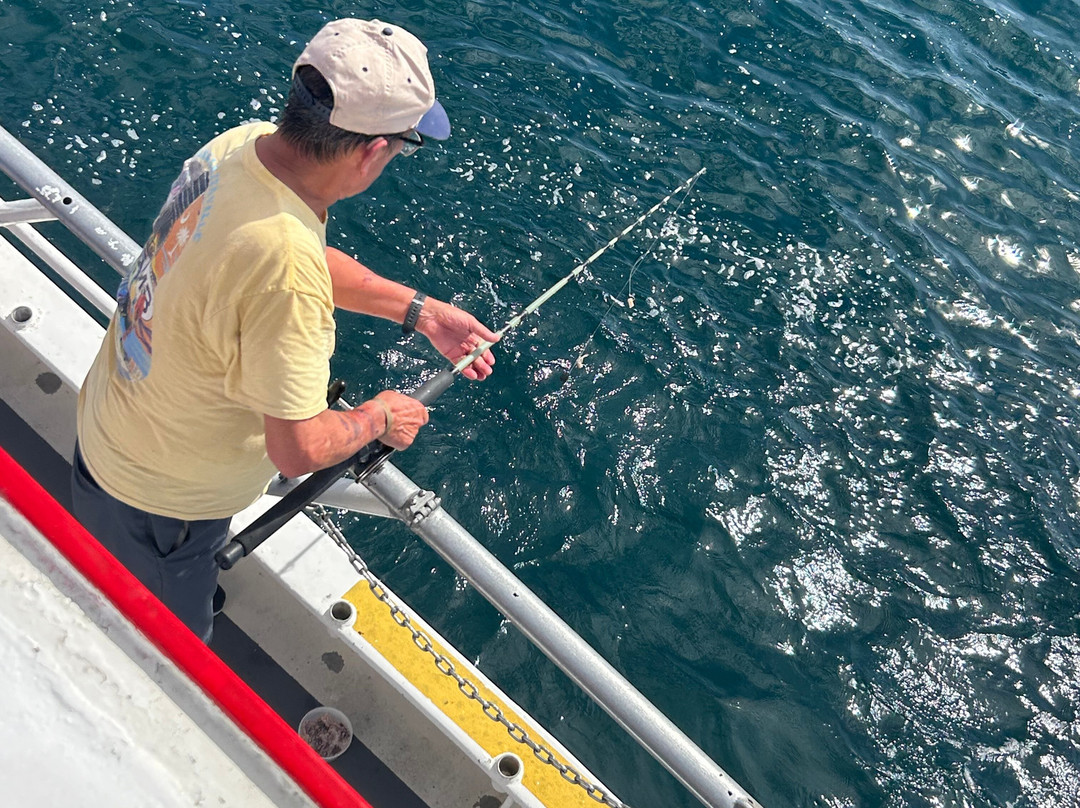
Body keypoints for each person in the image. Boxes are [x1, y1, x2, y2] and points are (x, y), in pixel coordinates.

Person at [71, 18, 498, 642]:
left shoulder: (242, 149)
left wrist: (421, 312)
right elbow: (296, 449)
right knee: (165, 653)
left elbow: (281, 255)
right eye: (403, 146)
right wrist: (380, 416)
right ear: (373, 150)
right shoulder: (287, 270)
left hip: (109, 430)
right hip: (162, 508)